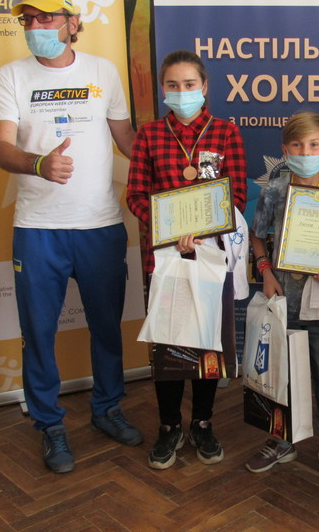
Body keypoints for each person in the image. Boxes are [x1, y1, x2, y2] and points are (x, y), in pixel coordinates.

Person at [0, 0, 141, 473]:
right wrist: (38, 163)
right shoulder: (10, 76)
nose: (36, 28)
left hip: (100, 226)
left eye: (46, 18)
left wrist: (176, 167)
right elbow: (0, 149)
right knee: (38, 332)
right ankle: (49, 425)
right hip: (38, 229)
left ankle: (107, 408)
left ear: (72, 22)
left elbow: (126, 138)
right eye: (28, 20)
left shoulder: (103, 71)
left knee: (107, 327)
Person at [127, 50, 247, 470]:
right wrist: (168, 232)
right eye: (173, 85)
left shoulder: (226, 133)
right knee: (168, 346)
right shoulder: (149, 135)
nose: (181, 92)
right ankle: (168, 426)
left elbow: (236, 196)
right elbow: (136, 196)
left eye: (189, 84)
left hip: (210, 257)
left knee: (206, 344)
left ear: (205, 87)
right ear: (163, 89)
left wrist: (202, 234)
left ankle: (202, 422)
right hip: (165, 260)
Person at [246, 112, 319, 480]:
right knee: (282, 375)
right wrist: (265, 271)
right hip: (283, 299)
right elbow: (256, 235)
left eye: (313, 145)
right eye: (297, 145)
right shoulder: (274, 191)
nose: (305, 152)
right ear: (285, 150)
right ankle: (282, 439)